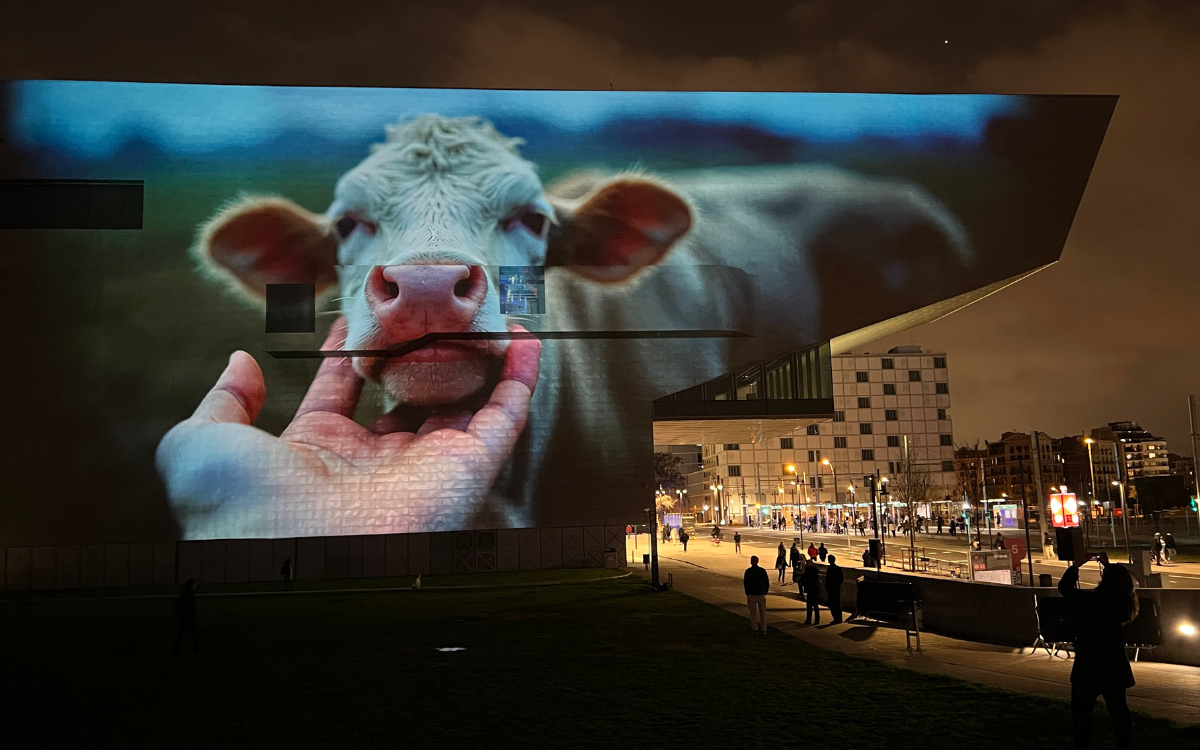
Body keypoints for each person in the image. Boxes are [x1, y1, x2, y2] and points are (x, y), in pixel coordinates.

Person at [1059, 551, 1138, 750]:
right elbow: (1116, 582)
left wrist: (1077, 564)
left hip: (1089, 664)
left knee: (1082, 713)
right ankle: (1124, 744)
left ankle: (1082, 745)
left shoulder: (1092, 601)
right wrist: (1108, 565)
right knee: (1119, 710)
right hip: (1114, 663)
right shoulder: (1123, 603)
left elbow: (1065, 588)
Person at [743, 555, 770, 635]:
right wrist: (765, 591)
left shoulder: (748, 571)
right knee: (763, 612)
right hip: (761, 593)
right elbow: (767, 582)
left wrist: (747, 592)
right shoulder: (762, 571)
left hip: (751, 593)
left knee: (753, 612)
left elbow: (746, 583)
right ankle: (763, 628)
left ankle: (755, 628)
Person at [174, 579, 200, 656]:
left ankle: (176, 651)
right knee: (195, 636)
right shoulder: (189, 595)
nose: (196, 586)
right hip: (189, 619)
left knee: (182, 635)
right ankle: (196, 651)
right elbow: (190, 608)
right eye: (194, 585)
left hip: (185, 618)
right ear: (191, 585)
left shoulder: (184, 594)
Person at [800, 560, 822, 624]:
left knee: (810, 605)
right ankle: (817, 619)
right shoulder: (815, 571)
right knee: (815, 605)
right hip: (815, 590)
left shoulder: (808, 571)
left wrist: (803, 583)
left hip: (811, 590)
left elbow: (805, 580)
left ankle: (809, 619)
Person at [825, 554, 845, 624]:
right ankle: (840, 618)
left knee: (832, 604)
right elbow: (842, 578)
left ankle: (836, 618)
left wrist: (827, 588)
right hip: (837, 589)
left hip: (831, 589)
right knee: (838, 604)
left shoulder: (830, 569)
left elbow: (827, 580)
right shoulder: (838, 568)